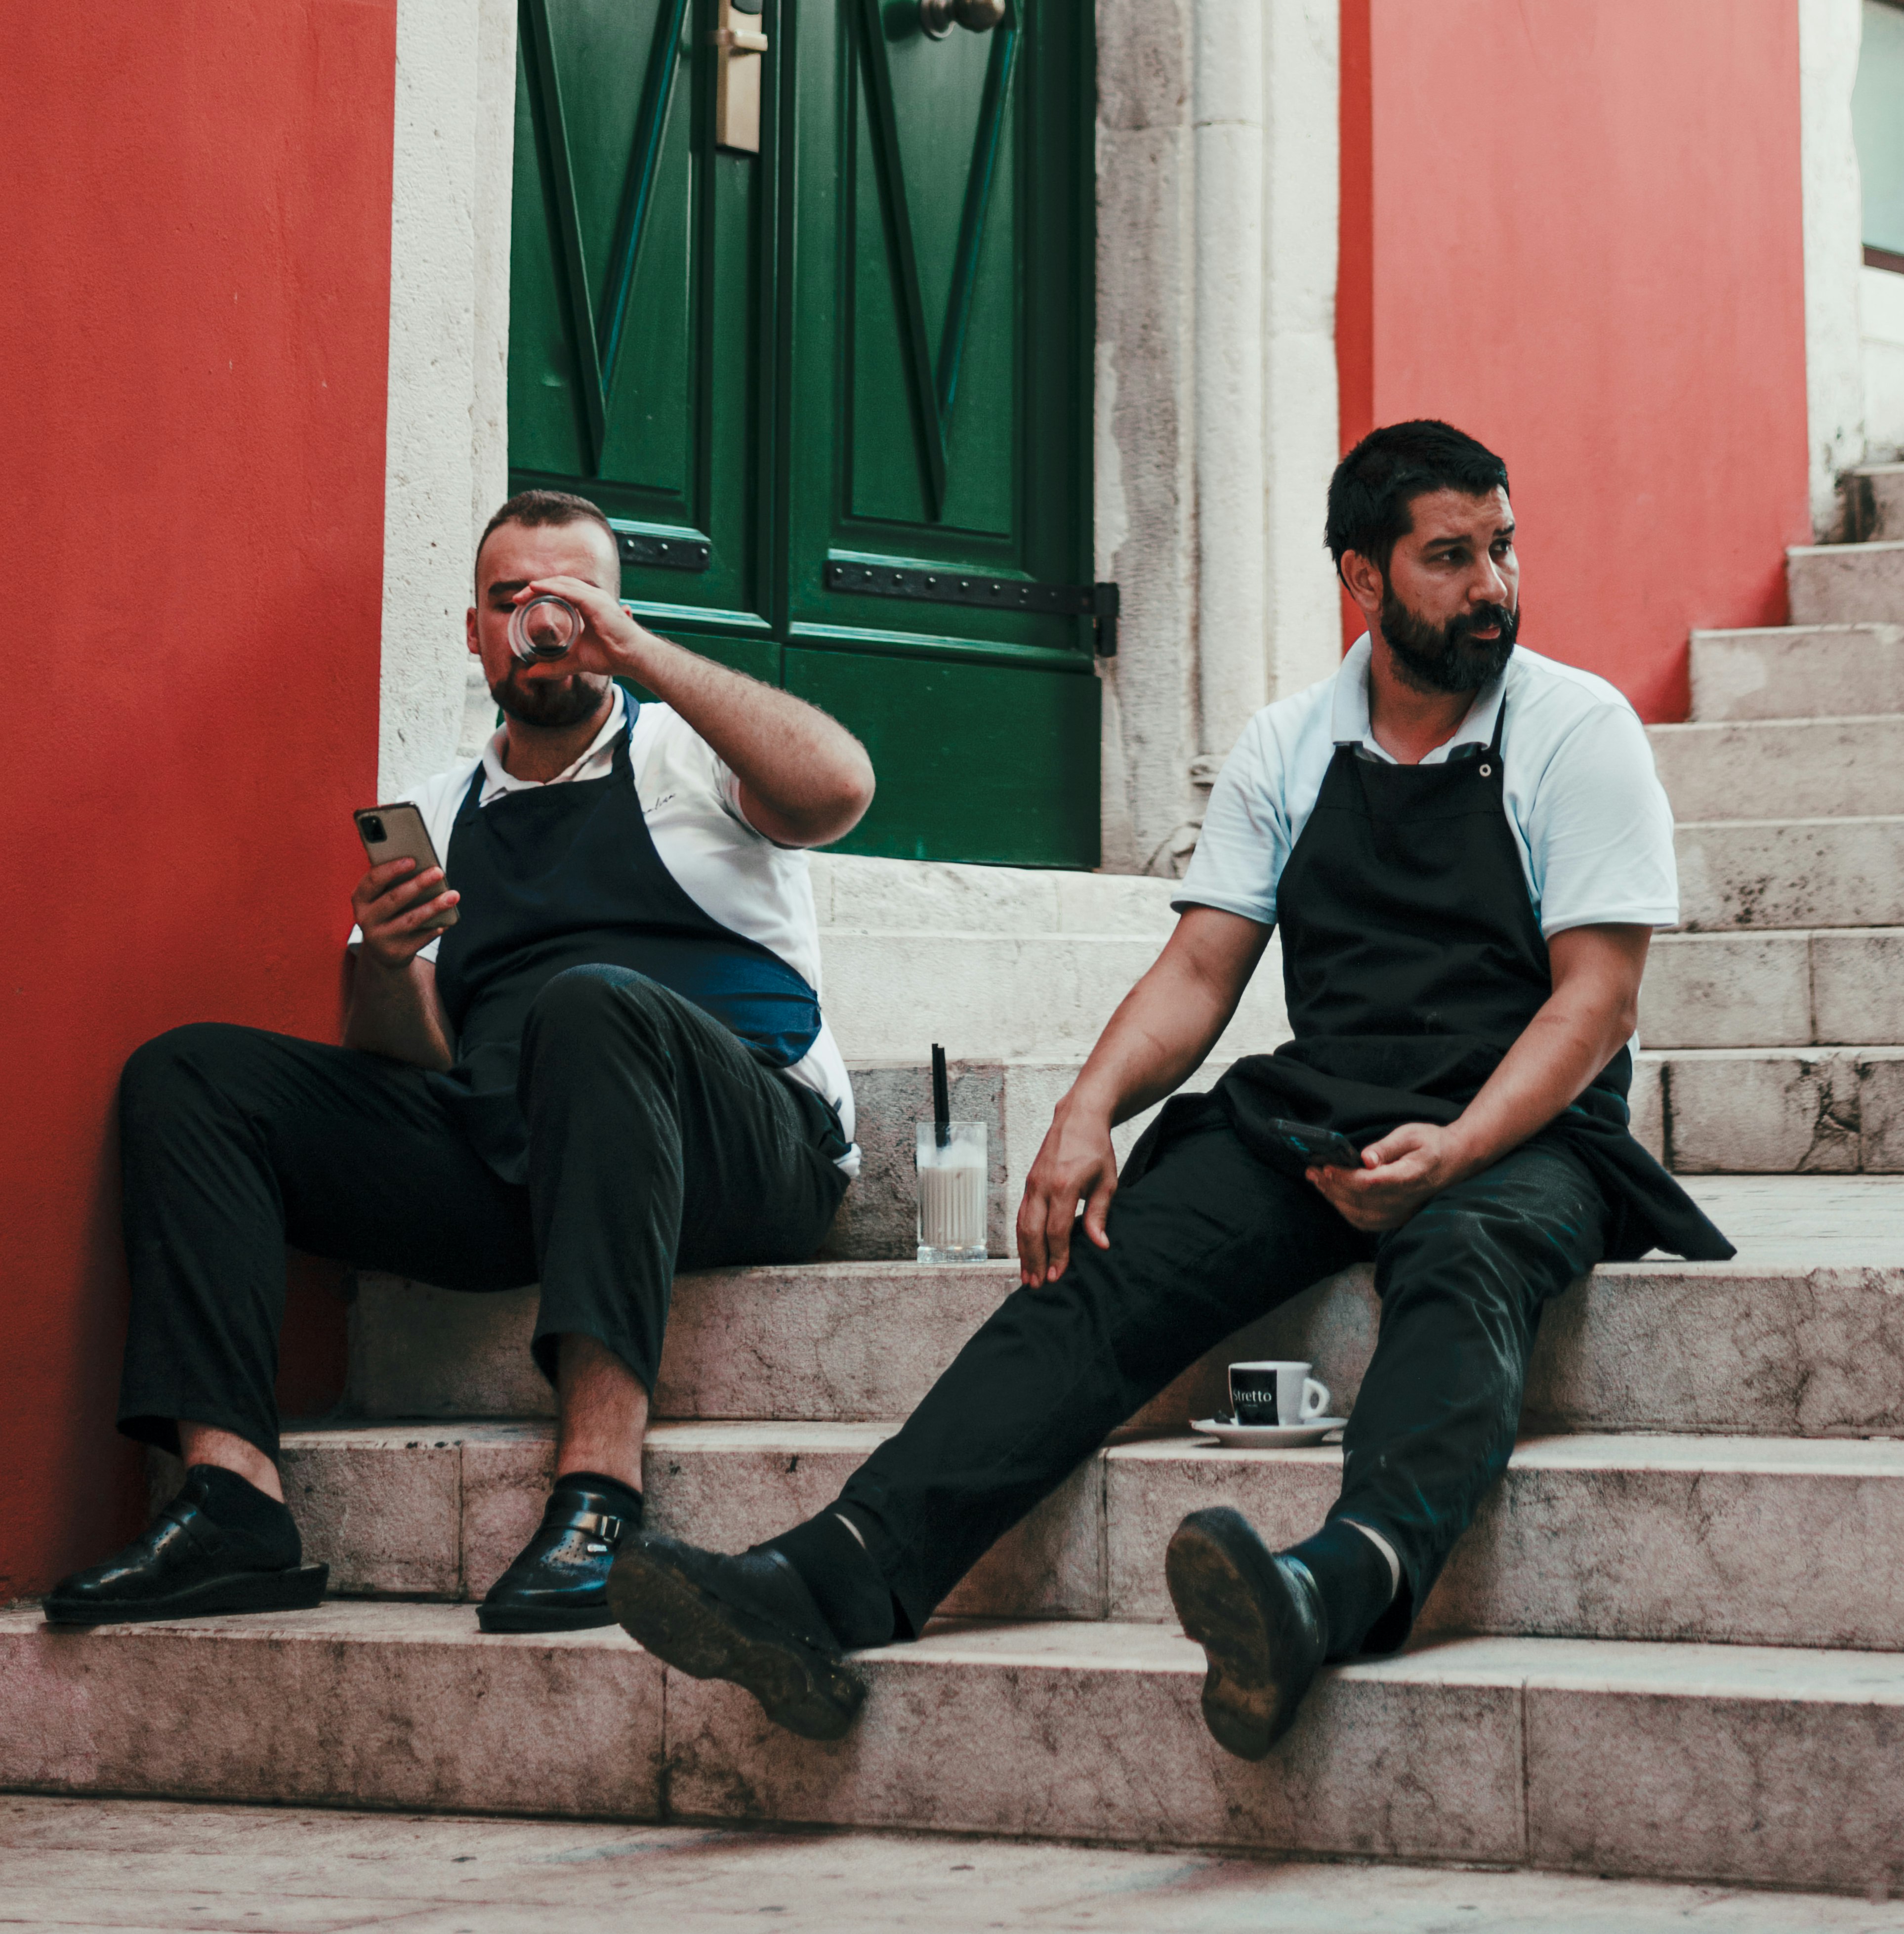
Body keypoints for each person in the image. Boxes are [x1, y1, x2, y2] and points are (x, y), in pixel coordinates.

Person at [604, 419, 1732, 1758]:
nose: (1491, 583)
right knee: (1103, 1267)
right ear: (1361, 580)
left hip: (1523, 1116)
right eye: (1448, 555)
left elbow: (1593, 997)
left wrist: (1459, 1147)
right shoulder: (1288, 742)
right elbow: (1201, 968)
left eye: (1500, 546)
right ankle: (829, 1576)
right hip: (1321, 1102)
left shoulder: (1573, 727)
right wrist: (1085, 1116)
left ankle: (1331, 1586)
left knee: (1465, 1260)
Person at [46, 489, 875, 1636]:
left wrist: (643, 654)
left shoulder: (686, 752)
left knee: (589, 1008)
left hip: (743, 1147)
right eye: (510, 602)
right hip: (522, 1158)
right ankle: (232, 1495)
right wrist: (387, 962)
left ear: (614, 614)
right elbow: (408, 1060)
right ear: (475, 632)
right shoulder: (440, 806)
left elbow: (838, 789)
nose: (541, 624)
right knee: (187, 1072)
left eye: (571, 599)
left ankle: (599, 1492)